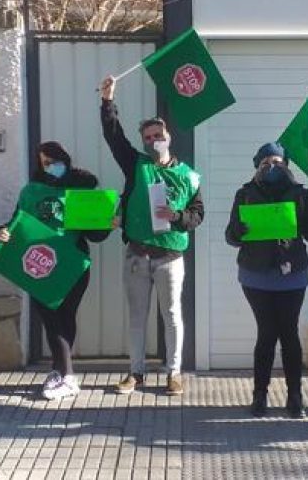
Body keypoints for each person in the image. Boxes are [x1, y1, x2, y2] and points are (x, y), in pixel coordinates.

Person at [99, 76, 205, 396]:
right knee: (136, 317)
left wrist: (178, 217)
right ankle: (136, 373)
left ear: (168, 136)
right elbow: (113, 136)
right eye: (148, 137)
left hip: (170, 256)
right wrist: (108, 101)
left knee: (172, 316)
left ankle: (174, 372)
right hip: (138, 254)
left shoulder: (188, 175)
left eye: (158, 135)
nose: (153, 140)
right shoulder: (136, 165)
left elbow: (198, 214)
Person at [0, 141, 110, 400]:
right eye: (45, 162)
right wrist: (0, 231)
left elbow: (96, 235)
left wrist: (107, 223)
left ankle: (61, 372)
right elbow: (16, 224)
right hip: (39, 264)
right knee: (50, 317)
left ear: (65, 160)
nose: (51, 167)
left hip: (73, 264)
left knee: (65, 317)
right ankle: (65, 373)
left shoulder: (81, 187)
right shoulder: (31, 192)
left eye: (54, 161)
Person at [224, 142, 308, 419]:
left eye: (278, 162)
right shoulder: (245, 194)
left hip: (292, 275)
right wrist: (238, 230)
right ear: (257, 165)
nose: (272, 167)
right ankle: (260, 395)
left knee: (289, 334)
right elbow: (231, 237)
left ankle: (295, 396)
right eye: (267, 162)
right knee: (267, 333)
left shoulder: (301, 194)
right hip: (255, 276)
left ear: (287, 165)